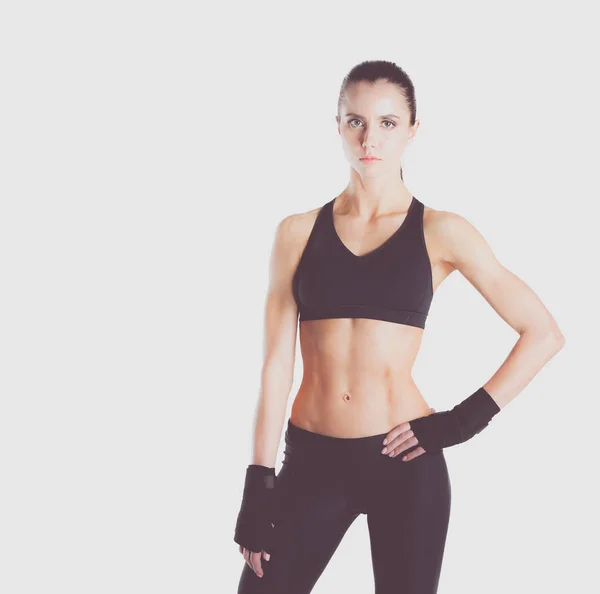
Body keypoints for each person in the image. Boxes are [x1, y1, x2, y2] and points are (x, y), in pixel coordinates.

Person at [233, 60, 565, 594]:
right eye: (356, 121)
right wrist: (258, 480)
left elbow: (543, 333)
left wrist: (458, 424)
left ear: (413, 129)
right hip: (311, 461)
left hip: (404, 462)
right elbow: (276, 366)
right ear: (338, 126)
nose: (370, 137)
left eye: (388, 123)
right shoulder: (296, 232)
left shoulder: (442, 231)